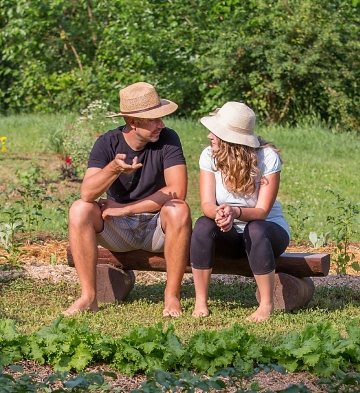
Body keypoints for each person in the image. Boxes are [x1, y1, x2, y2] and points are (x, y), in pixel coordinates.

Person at [63, 82, 191, 317]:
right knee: (79, 209)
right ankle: (88, 297)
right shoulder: (107, 143)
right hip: (119, 232)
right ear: (133, 122)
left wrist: (125, 209)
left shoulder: (168, 138)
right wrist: (113, 169)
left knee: (178, 209)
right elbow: (87, 194)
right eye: (154, 120)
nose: (160, 124)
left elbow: (177, 190)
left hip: (156, 228)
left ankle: (172, 296)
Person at [190, 102, 290, 322]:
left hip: (266, 234)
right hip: (231, 234)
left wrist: (235, 211)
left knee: (255, 229)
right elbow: (206, 203)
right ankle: (200, 302)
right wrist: (219, 214)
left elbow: (262, 211)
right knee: (202, 224)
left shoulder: (267, 158)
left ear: (230, 140)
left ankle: (266, 304)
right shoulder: (209, 156)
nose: (209, 136)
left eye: (215, 133)